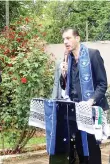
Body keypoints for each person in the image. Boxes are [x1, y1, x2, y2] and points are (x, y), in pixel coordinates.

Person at [60, 28, 109, 164]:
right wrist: (63, 74)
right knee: (80, 148)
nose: (65, 42)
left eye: (68, 38)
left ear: (78, 38)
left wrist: (90, 101)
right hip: (74, 110)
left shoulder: (93, 55)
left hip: (91, 109)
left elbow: (102, 84)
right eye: (64, 39)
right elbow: (64, 87)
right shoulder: (67, 59)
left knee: (91, 149)